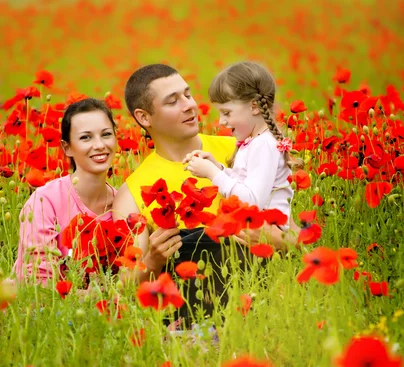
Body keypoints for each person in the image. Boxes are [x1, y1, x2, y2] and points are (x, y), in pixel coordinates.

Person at [113, 64, 298, 325]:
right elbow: (125, 286)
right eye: (173, 101)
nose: (189, 105)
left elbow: (299, 238)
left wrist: (278, 240)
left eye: (187, 94)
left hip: (265, 313)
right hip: (191, 322)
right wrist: (153, 260)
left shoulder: (242, 147)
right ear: (144, 118)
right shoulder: (132, 193)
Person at [182, 61, 299, 230]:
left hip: (263, 236)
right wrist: (219, 168)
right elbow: (246, 184)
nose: (221, 121)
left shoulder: (263, 145)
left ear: (255, 106)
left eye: (227, 113)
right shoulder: (256, 141)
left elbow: (252, 202)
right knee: (185, 238)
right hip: (252, 231)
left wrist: (212, 173)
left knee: (186, 243)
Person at [14, 98, 118, 285]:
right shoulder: (45, 202)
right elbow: (39, 286)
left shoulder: (122, 205)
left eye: (106, 134)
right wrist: (96, 297)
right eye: (86, 137)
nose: (100, 145)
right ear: (67, 147)